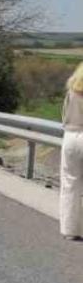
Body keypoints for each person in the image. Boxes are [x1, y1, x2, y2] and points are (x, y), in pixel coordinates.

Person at [60, 63, 83, 241]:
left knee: (70, 184)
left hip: (70, 137)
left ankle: (70, 230)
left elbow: (64, 116)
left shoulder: (71, 91)